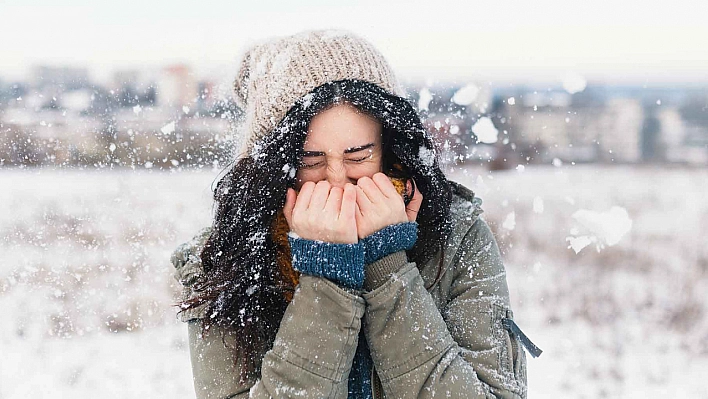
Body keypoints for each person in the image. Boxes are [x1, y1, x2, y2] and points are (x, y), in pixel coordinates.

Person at [171, 29, 538, 399]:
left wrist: (387, 267)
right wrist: (326, 277)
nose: (337, 180)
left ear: (390, 148)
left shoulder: (457, 238)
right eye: (311, 161)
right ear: (275, 166)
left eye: (358, 157)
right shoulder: (223, 262)